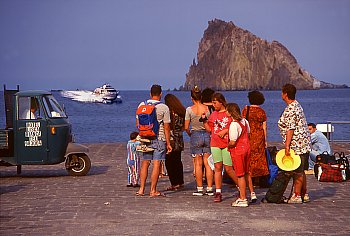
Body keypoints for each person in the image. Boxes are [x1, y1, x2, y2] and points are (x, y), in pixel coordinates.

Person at [135, 84, 172, 197]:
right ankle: (153, 190)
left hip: (145, 138)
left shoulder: (142, 105)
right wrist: (168, 143)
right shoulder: (164, 107)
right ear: (160, 94)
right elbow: (166, 127)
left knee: (145, 163)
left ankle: (141, 189)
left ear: (150, 93)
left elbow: (138, 124)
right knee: (157, 164)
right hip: (159, 138)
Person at [278, 83, 311, 203]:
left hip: (297, 144)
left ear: (285, 94)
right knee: (301, 169)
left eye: (282, 92)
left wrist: (287, 146)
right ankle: (304, 193)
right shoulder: (297, 105)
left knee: (297, 169)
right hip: (303, 142)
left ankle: (297, 195)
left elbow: (290, 128)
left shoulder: (291, 108)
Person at [203, 93, 239, 203]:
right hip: (215, 143)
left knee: (228, 168)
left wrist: (226, 131)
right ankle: (218, 191)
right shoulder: (213, 114)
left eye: (215, 103)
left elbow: (236, 124)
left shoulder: (228, 113)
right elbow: (209, 129)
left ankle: (240, 186)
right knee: (217, 168)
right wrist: (204, 121)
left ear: (221, 102)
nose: (213, 105)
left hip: (227, 144)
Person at [184, 86, 214, 196]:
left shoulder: (189, 110)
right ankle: (210, 188)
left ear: (192, 97)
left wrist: (190, 134)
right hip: (206, 134)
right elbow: (209, 123)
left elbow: (186, 126)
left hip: (195, 134)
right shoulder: (206, 109)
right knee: (208, 162)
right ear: (201, 97)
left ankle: (200, 188)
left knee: (198, 163)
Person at [242, 91, 269, 188]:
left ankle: (249, 178)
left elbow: (243, 123)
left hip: (249, 135)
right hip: (259, 136)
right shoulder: (261, 111)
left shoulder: (246, 109)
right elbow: (264, 127)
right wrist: (265, 140)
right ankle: (258, 179)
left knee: (249, 157)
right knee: (259, 157)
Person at [226, 103, 251, 207]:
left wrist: (228, 146)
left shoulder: (233, 124)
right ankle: (244, 195)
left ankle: (243, 198)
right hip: (247, 149)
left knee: (239, 175)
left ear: (230, 112)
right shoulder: (245, 121)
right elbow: (248, 133)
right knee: (245, 173)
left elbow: (232, 141)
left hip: (238, 151)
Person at [164, 94, 186, 191]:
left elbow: (167, 127)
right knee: (178, 160)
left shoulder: (169, 113)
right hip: (179, 137)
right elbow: (185, 126)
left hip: (172, 138)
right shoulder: (181, 112)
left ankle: (174, 183)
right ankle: (180, 181)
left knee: (169, 161)